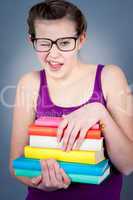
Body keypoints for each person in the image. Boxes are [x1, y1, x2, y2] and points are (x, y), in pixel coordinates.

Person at [9, 0, 133, 199]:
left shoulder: (109, 77)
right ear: (31, 40)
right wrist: (41, 184)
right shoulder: (29, 83)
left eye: (65, 42)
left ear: (81, 39)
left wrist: (99, 112)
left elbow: (127, 165)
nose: (53, 54)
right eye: (44, 43)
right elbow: (15, 165)